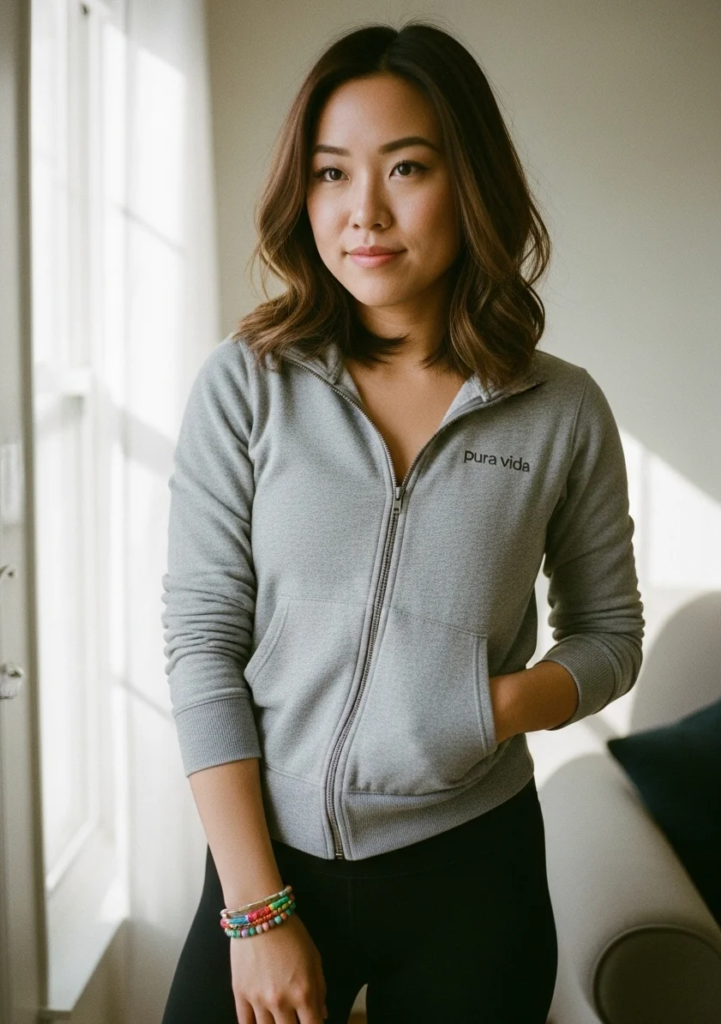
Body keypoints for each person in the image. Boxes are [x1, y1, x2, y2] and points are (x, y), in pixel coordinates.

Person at [159, 20, 644, 1024]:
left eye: (407, 168)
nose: (364, 212)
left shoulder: (561, 411)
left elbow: (610, 636)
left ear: (470, 184)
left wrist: (489, 708)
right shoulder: (248, 384)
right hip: (270, 862)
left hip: (474, 872)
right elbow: (202, 639)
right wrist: (255, 911)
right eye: (332, 173)